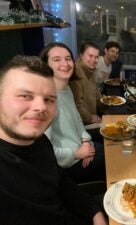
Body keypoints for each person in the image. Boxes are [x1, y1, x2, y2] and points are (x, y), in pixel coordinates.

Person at [0, 55, 107, 225]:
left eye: (49, 99)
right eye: (25, 96)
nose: (41, 107)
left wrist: (94, 211)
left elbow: (62, 182)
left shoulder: (40, 141)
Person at [40, 42, 106, 184]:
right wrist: (77, 153)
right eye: (57, 59)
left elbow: (77, 122)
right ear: (46, 65)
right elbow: (45, 151)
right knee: (112, 159)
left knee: (110, 148)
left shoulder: (67, 89)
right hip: (67, 165)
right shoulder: (45, 100)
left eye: (68, 58)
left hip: (81, 148)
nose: (65, 63)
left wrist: (86, 141)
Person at [69, 41, 102, 125]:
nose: (94, 60)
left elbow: (97, 96)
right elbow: (76, 106)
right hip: (83, 124)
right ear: (81, 55)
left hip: (92, 117)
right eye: (90, 56)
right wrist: (91, 118)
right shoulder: (75, 72)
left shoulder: (89, 71)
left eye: (96, 57)